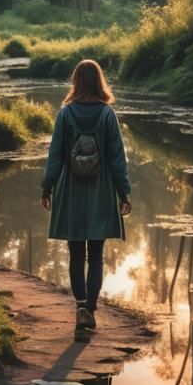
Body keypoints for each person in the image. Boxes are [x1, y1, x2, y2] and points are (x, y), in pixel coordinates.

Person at [41, 59, 132, 332]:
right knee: (96, 255)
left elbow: (55, 156)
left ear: (76, 82)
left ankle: (80, 307)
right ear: (99, 81)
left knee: (76, 255)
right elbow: (117, 159)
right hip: (101, 192)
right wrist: (124, 192)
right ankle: (91, 310)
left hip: (70, 192)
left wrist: (47, 187)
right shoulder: (107, 115)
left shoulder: (65, 115)